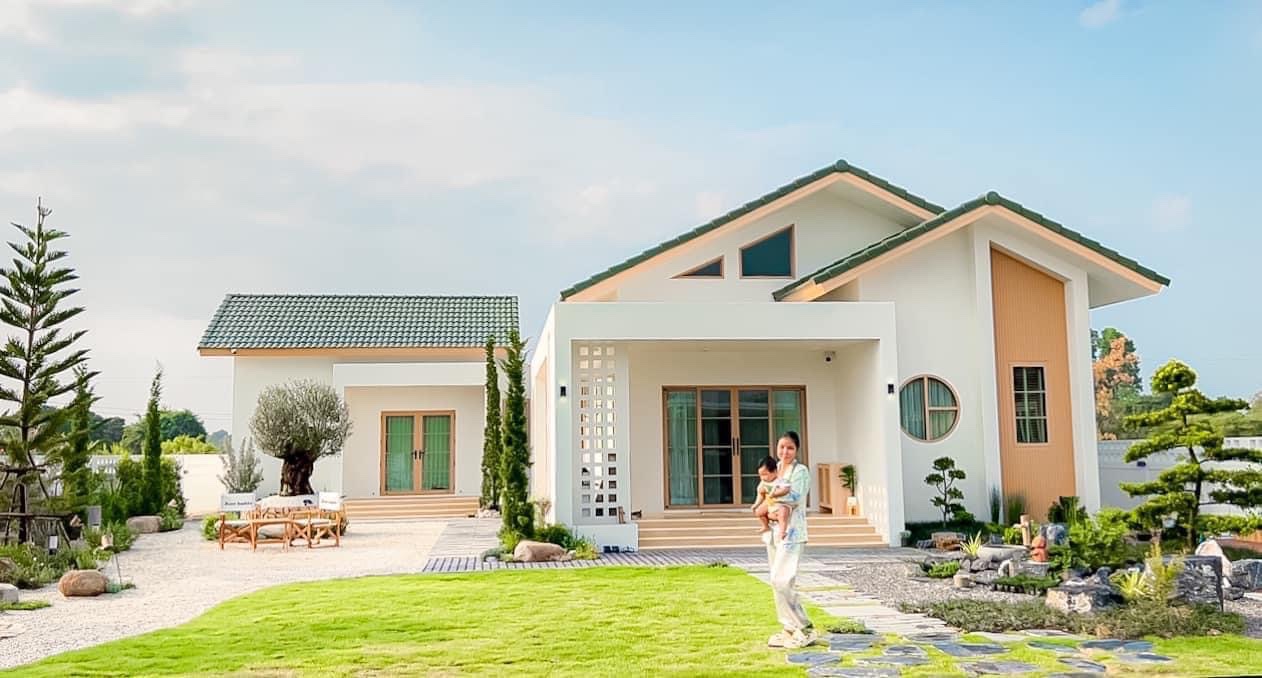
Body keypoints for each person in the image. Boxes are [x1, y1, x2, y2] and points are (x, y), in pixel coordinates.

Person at [759, 430, 816, 649]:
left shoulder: (800, 471)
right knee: (775, 581)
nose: (785, 451)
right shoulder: (774, 469)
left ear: (797, 450)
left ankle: (804, 626)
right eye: (782, 447)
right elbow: (763, 494)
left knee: (782, 580)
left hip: (792, 533)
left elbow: (795, 497)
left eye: (790, 448)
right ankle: (788, 627)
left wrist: (772, 498)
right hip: (774, 533)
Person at [751, 456, 791, 540]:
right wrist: (756, 504)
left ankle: (782, 531)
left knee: (782, 514)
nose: (762, 478)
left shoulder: (781, 481)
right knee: (759, 512)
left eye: (765, 474)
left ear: (775, 472)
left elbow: (786, 489)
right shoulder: (763, 482)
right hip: (770, 504)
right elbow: (760, 494)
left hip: (781, 504)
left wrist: (775, 494)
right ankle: (765, 526)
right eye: (760, 475)